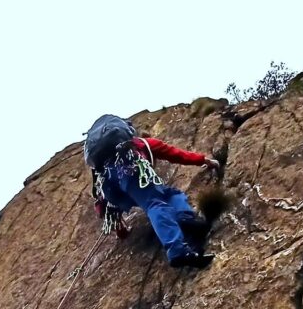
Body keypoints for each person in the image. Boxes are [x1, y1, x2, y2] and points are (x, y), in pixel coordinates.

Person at [85, 115, 220, 269]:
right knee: (154, 202)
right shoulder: (141, 144)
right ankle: (178, 250)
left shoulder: (102, 171)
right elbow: (176, 154)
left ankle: (184, 218)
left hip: (115, 190)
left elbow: (107, 208)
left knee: (170, 194)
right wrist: (204, 160)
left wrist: (121, 232)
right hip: (131, 170)